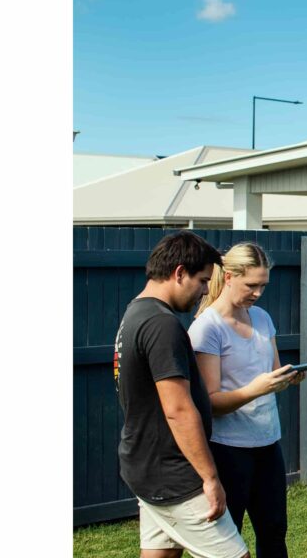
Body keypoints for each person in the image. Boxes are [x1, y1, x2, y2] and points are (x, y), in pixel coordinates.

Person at [114, 231, 249, 558]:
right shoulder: (162, 325)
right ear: (178, 273)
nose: (205, 291)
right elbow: (178, 409)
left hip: (146, 468)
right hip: (175, 476)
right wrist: (210, 478)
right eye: (202, 280)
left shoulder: (135, 315)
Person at [188, 242, 304, 558]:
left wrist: (287, 377)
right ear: (228, 277)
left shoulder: (263, 318)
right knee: (229, 539)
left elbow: (272, 371)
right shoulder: (207, 328)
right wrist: (257, 389)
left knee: (274, 531)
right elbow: (210, 401)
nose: (258, 293)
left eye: (263, 285)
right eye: (251, 285)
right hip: (228, 448)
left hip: (268, 443)